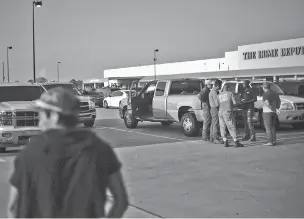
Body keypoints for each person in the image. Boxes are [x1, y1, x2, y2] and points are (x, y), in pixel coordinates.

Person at [8, 87, 129, 218]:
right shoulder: (100, 149)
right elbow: (121, 201)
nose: (39, 120)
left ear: (54, 116)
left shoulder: (30, 153)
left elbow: (13, 207)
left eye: (42, 113)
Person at [262, 82, 281, 146]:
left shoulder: (265, 94)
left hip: (267, 112)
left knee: (268, 127)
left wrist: (273, 109)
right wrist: (277, 109)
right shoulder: (275, 93)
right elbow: (279, 101)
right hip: (274, 112)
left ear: (264, 87)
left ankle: (270, 141)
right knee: (273, 126)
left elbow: (267, 103)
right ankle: (274, 140)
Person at [209, 79, 223, 144]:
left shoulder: (212, 91)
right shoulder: (214, 92)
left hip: (212, 108)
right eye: (220, 85)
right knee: (215, 124)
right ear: (217, 85)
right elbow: (216, 103)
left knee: (213, 124)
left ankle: (212, 137)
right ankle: (215, 138)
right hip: (215, 108)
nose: (221, 87)